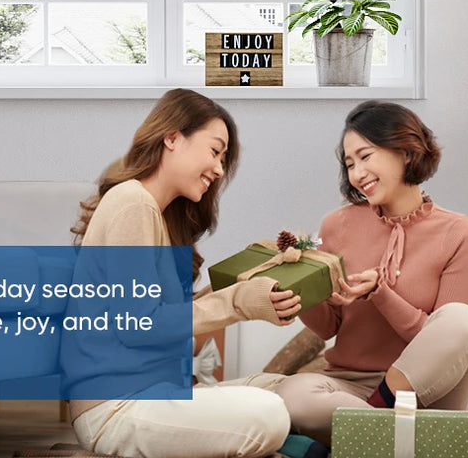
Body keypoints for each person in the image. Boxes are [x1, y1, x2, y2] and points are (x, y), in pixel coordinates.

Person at [64, 88, 314, 458]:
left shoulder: (157, 216)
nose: (219, 169)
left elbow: (168, 320)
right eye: (215, 151)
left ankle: (290, 448)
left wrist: (250, 271)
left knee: (286, 389)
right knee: (270, 411)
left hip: (155, 393)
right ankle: (291, 446)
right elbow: (139, 324)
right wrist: (238, 303)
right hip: (116, 406)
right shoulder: (133, 203)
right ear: (172, 138)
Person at [272, 100, 468, 451]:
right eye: (349, 163)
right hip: (349, 385)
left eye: (365, 156)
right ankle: (439, 437)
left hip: (430, 391)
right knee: (292, 395)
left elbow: (443, 337)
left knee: (463, 319)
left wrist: (380, 293)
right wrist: (298, 287)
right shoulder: (336, 225)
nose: (356, 173)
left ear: (404, 150)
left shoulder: (460, 232)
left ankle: (372, 427)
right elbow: (328, 327)